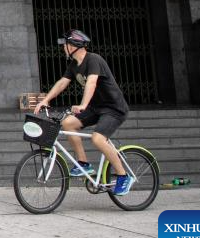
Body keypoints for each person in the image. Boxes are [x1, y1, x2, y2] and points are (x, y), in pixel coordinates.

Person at [33, 29, 134, 196]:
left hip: (114, 108)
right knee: (68, 123)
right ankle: (83, 164)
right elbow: (62, 83)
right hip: (96, 108)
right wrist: (46, 100)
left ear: (74, 46)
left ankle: (123, 176)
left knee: (98, 138)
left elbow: (91, 83)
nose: (63, 48)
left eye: (65, 45)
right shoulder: (74, 65)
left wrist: (82, 105)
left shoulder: (94, 59)